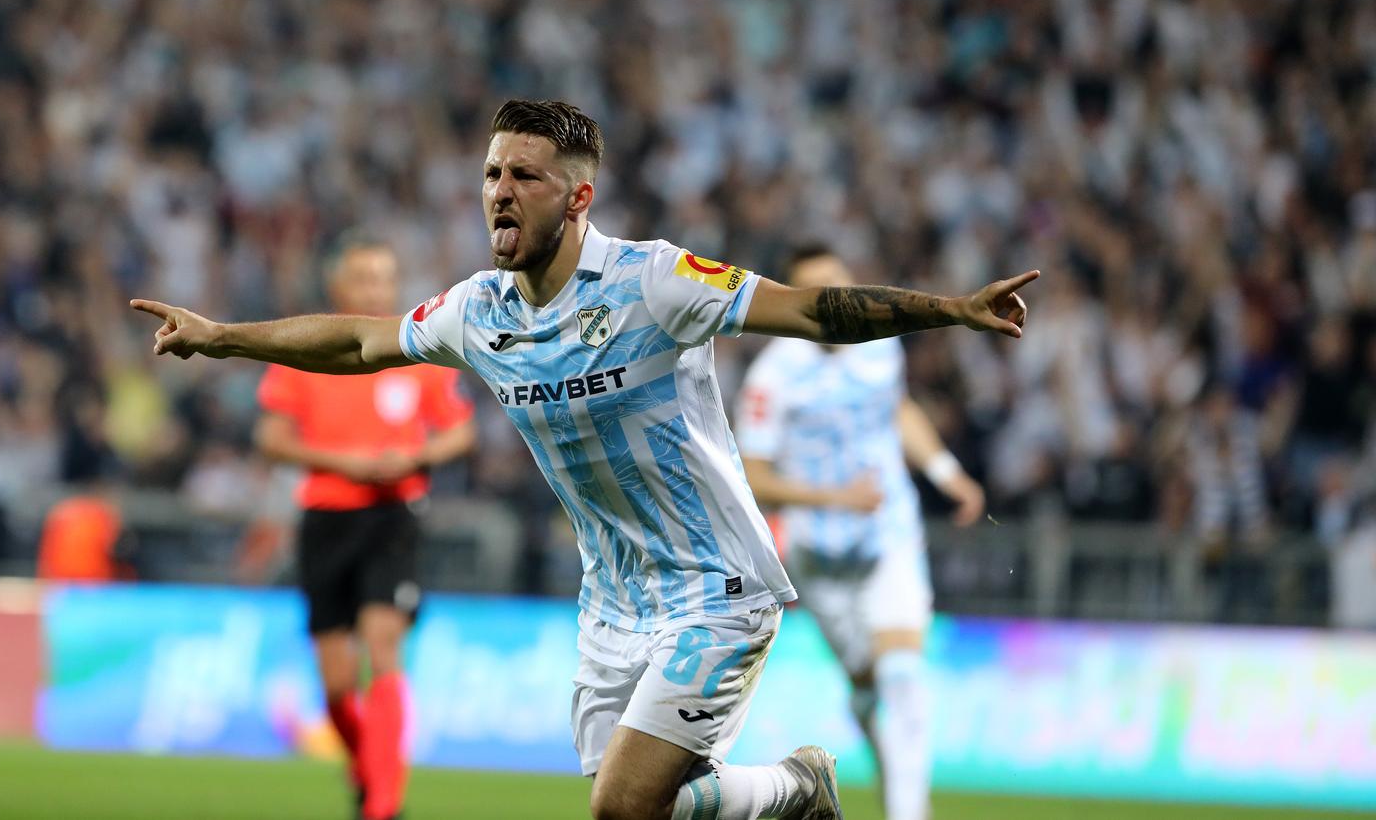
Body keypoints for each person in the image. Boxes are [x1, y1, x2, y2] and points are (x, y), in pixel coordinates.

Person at [131, 99, 1037, 820]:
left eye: (524, 175)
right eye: (491, 173)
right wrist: (223, 338)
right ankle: (793, 789)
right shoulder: (481, 310)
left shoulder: (657, 281)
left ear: (576, 196)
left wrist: (950, 309)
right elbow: (362, 342)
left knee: (623, 804)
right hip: (611, 600)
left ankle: (797, 789)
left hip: (713, 585)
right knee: (642, 811)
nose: (500, 191)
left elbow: (811, 309)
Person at [735, 244, 988, 820]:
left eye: (838, 285)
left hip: (889, 537)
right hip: (820, 559)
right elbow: (755, 477)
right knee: (872, 689)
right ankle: (871, 714)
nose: (834, 302)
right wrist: (834, 499)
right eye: (817, 292)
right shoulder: (773, 377)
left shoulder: (881, 347)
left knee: (902, 679)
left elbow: (896, 410)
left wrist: (947, 473)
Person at [253, 235, 477, 820]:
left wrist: (418, 458)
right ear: (339, 289)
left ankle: (383, 805)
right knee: (335, 685)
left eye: (384, 278)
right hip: (325, 517)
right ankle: (366, 768)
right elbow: (271, 438)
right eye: (364, 278)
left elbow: (460, 430)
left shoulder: (416, 349)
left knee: (384, 647)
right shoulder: (307, 350)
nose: (376, 289)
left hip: (392, 516)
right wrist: (345, 463)